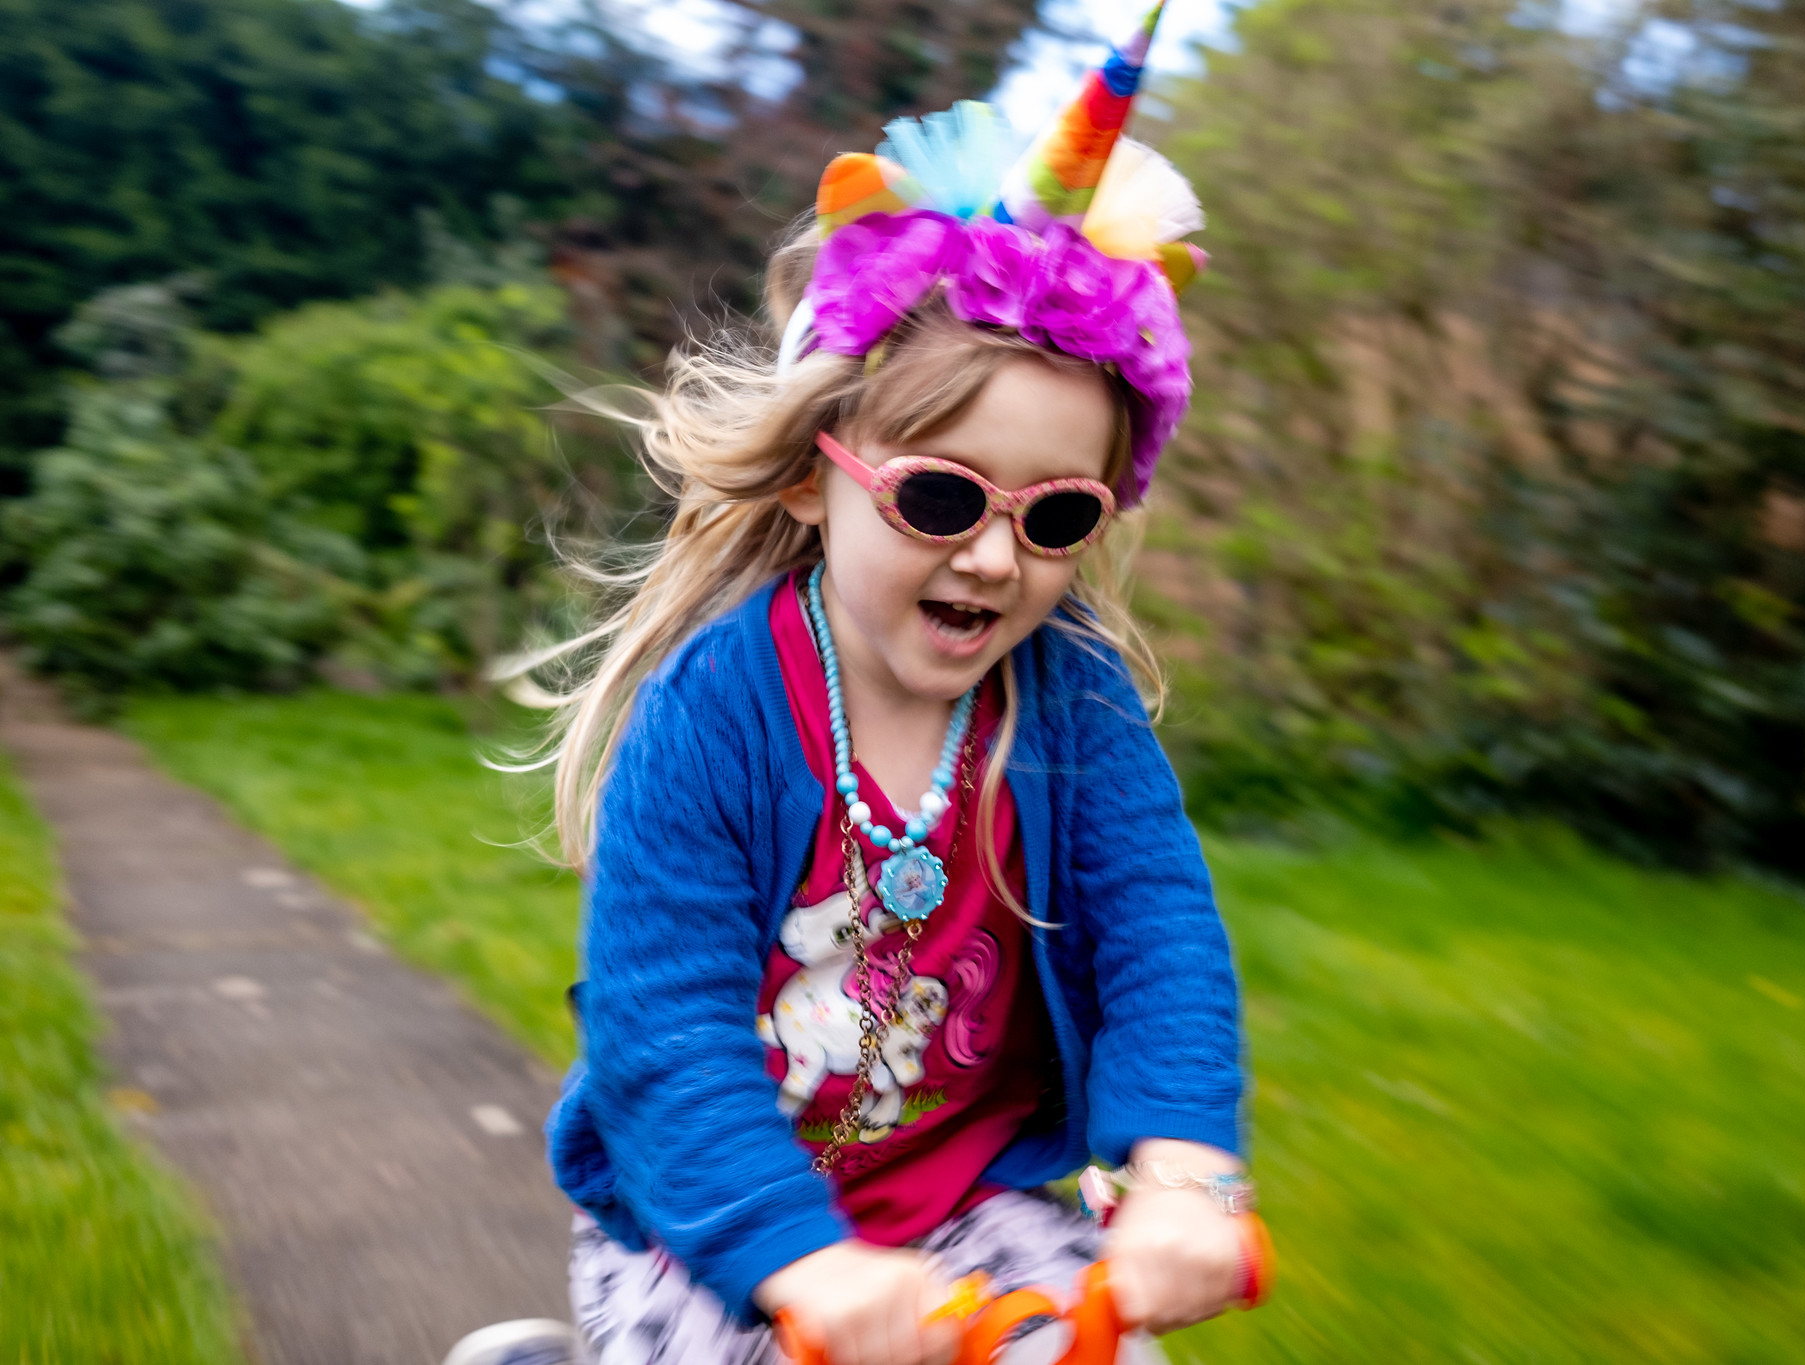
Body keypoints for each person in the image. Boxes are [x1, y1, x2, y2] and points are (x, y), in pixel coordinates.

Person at [451, 8, 1253, 1364]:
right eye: (943, 496)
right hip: (720, 1219)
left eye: (1055, 516)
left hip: (966, 1201)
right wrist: (799, 1260)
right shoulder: (716, 712)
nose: (996, 556)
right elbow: (663, 1026)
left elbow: (1159, 941)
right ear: (822, 476)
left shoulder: (1072, 705)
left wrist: (1183, 1173)